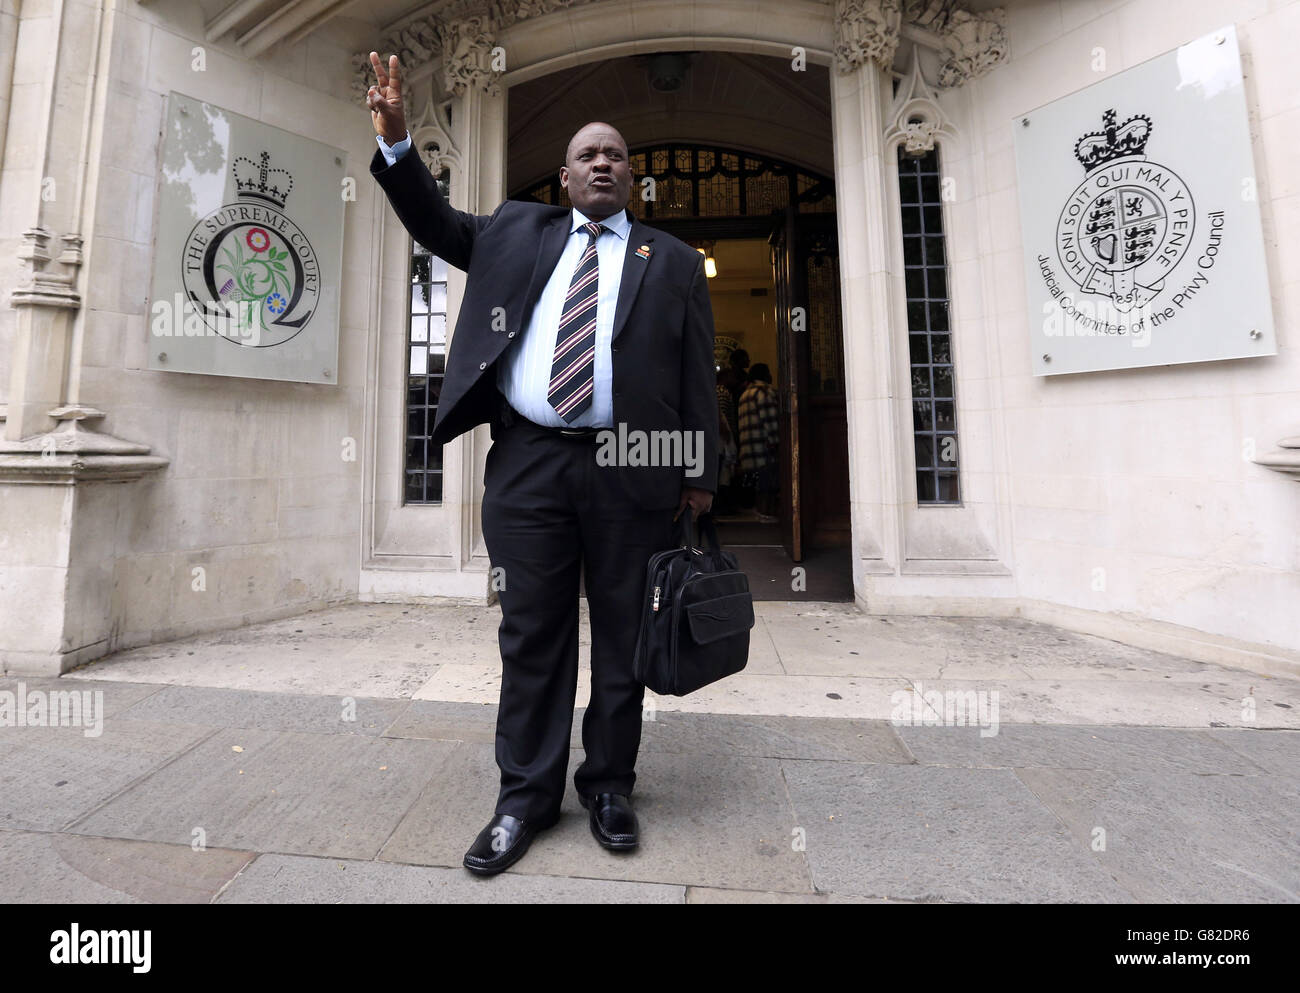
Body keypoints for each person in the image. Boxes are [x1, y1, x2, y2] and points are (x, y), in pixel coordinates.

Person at [366, 54, 718, 875]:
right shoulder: (516, 233)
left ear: (633, 176)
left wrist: (698, 476)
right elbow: (435, 223)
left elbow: (695, 373)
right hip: (528, 464)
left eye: (618, 154)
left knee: (626, 638)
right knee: (532, 635)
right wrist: (396, 145)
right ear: (563, 178)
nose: (604, 161)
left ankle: (608, 785)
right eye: (588, 154)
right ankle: (523, 796)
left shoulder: (667, 260)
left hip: (636, 465)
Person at [737, 363, 779, 522]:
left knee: (758, 485)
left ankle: (760, 514)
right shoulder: (764, 392)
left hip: (749, 449)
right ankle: (767, 514)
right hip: (764, 448)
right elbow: (771, 420)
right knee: (768, 485)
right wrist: (777, 442)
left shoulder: (744, 395)